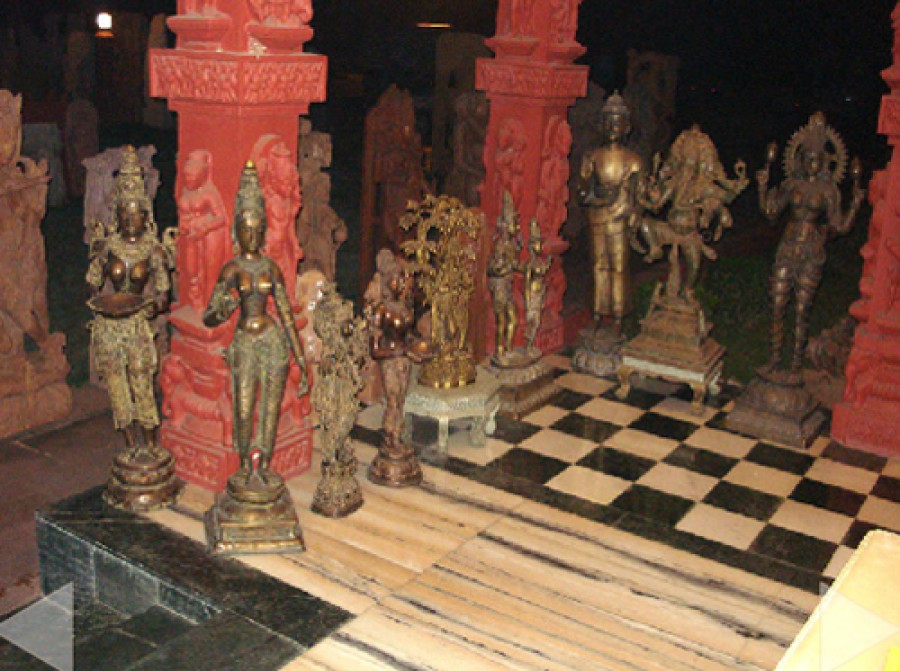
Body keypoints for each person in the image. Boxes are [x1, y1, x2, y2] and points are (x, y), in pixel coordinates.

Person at [203, 161, 309, 486]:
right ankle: (242, 466)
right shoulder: (232, 270)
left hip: (272, 341)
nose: (251, 235)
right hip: (245, 343)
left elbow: (287, 316)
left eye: (256, 229)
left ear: (263, 231)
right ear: (237, 230)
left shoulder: (270, 268)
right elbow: (209, 317)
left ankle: (262, 465)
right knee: (244, 408)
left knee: (270, 410)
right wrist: (226, 307)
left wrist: (301, 359)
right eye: (245, 229)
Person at [757, 112, 864, 371]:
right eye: (806, 158)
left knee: (802, 310)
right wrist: (762, 187)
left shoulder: (828, 191)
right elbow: (771, 212)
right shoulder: (791, 184)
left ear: (824, 161)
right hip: (788, 246)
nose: (811, 163)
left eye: (816, 159)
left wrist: (855, 205)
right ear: (800, 159)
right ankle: (774, 359)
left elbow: (840, 226)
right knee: (777, 303)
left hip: (812, 251)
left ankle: (795, 363)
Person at [87, 146, 172, 454]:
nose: (130, 220)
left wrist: (152, 305)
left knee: (141, 381)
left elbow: (163, 294)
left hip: (136, 324)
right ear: (118, 216)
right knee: (116, 385)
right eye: (125, 214)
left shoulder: (153, 250)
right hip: (110, 325)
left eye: (136, 214)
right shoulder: (109, 247)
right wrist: (96, 300)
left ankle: (149, 443)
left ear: (145, 216)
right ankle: (129, 443)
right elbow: (92, 281)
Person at [578, 93, 643, 332]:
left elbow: (639, 196)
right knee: (598, 264)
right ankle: (597, 311)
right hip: (598, 214)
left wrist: (633, 214)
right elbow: (583, 189)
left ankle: (618, 314)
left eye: (617, 122)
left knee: (619, 266)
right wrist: (591, 193)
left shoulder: (633, 161)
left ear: (626, 127)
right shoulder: (593, 157)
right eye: (608, 122)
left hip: (620, 216)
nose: (612, 127)